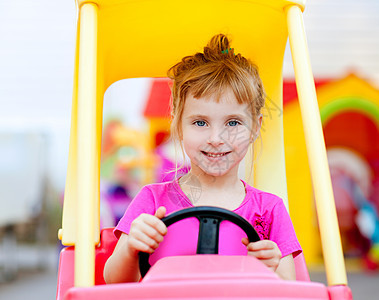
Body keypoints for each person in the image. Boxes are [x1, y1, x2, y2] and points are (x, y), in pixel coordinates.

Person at [104, 34, 301, 283]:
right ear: (178, 124)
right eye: (200, 122)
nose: (216, 138)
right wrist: (131, 247)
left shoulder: (270, 210)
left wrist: (272, 268)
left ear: (255, 127)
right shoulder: (152, 201)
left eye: (233, 122)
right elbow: (115, 282)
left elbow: (290, 289)